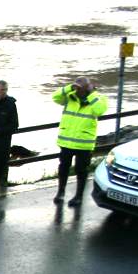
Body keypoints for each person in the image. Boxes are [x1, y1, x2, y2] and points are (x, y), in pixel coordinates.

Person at [52, 76, 108, 208]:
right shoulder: (70, 96)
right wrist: (69, 87)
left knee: (81, 170)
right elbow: (55, 97)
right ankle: (60, 192)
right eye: (76, 87)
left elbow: (99, 110)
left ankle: (78, 196)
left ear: (87, 88)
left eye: (80, 88)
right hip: (66, 142)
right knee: (63, 168)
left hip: (84, 143)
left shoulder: (98, 98)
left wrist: (91, 93)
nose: (78, 90)